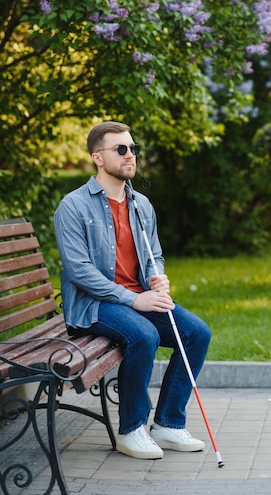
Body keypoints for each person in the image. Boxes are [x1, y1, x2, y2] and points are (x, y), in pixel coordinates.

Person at [54, 121, 211, 460]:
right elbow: (79, 271)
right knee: (143, 335)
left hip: (138, 295)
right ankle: (131, 430)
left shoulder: (141, 205)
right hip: (93, 305)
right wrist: (134, 299)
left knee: (197, 333)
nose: (130, 155)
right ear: (98, 157)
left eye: (133, 148)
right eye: (120, 149)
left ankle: (168, 424)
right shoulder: (73, 206)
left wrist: (158, 277)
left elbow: (154, 253)